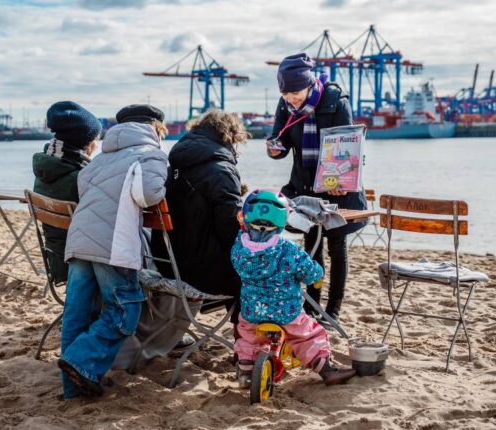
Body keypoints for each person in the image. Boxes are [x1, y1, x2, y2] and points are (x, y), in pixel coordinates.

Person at [59, 104, 168, 399]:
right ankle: (79, 362)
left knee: (76, 314)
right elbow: (148, 195)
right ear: (156, 128)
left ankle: (72, 389)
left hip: (80, 241)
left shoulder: (99, 158)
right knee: (124, 311)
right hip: (112, 243)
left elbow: (84, 189)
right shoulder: (151, 154)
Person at [265, 53, 366, 324]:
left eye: (295, 94)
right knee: (312, 247)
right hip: (305, 185)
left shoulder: (335, 100)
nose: (291, 100)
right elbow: (281, 140)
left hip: (337, 185)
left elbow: (349, 149)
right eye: (286, 95)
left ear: (309, 85)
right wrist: (274, 148)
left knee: (337, 246)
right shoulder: (285, 105)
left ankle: (332, 311)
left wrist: (341, 184)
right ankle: (312, 307)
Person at [231, 189, 356, 387]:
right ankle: (326, 370)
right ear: (282, 222)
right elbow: (310, 271)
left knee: (247, 337)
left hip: (252, 311)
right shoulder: (288, 250)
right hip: (286, 312)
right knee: (309, 335)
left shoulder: (239, 247)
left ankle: (245, 371)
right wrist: (317, 276)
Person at [150, 110, 247, 326]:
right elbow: (231, 230)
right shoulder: (221, 170)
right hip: (200, 273)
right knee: (258, 269)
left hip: (168, 265)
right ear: (229, 136)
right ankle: (246, 336)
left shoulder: (172, 166)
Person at [32, 101, 101, 284]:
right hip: (82, 261)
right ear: (87, 143)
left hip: (55, 258)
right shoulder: (80, 178)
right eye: (96, 138)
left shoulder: (45, 170)